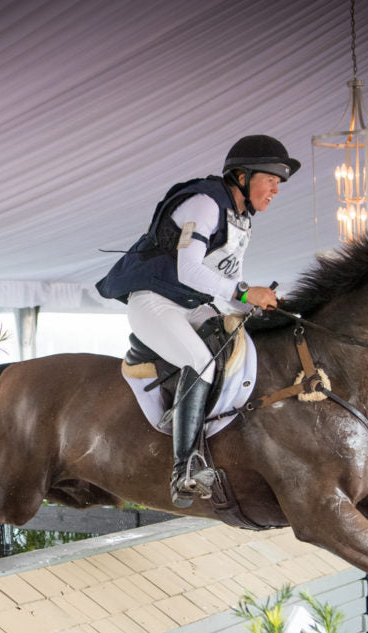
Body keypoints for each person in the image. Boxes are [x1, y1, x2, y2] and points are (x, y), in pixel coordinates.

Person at [95, 135, 299, 507]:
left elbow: (221, 287)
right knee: (200, 362)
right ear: (242, 175)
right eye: (271, 178)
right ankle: (184, 469)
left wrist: (255, 305)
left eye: (279, 183)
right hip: (155, 302)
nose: (275, 189)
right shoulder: (205, 203)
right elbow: (189, 270)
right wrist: (243, 293)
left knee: (238, 341)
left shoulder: (242, 220)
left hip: (190, 305)